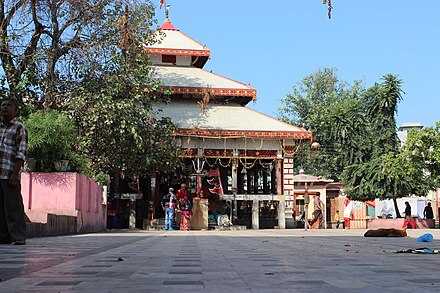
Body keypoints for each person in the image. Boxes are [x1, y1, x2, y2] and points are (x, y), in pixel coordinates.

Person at [0, 98, 28, 245]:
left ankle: (18, 236)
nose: (5, 108)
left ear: (14, 110)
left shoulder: (19, 127)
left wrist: (15, 174)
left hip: (9, 173)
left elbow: (21, 152)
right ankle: (3, 237)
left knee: (13, 207)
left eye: (8, 106)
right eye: (3, 105)